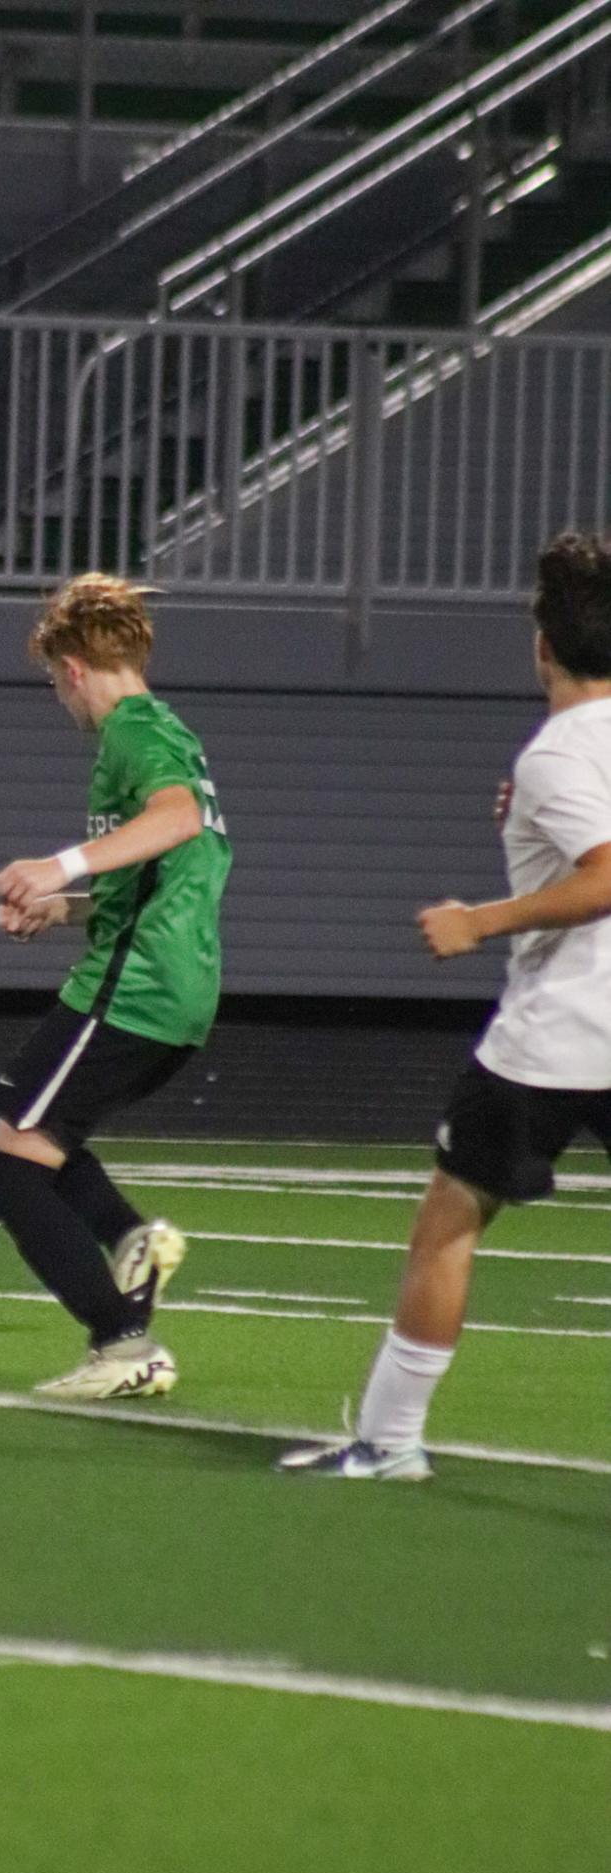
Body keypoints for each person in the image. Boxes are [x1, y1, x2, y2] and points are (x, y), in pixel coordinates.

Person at [282, 530, 611, 1479]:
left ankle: (390, 1442)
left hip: (555, 1041)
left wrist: (482, 919)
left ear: (542, 645)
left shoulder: (556, 756)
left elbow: (604, 874)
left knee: (450, 1218)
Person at [0, 572, 232, 1398]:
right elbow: (166, 875)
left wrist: (60, 861)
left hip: (134, 991)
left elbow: (176, 819)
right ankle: (133, 1242)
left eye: (57, 681)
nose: (63, 699)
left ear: (74, 667)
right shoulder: (171, 732)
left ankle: (123, 1343)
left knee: (12, 1170)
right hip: (166, 986)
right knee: (16, 1120)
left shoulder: (134, 732)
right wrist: (64, 908)